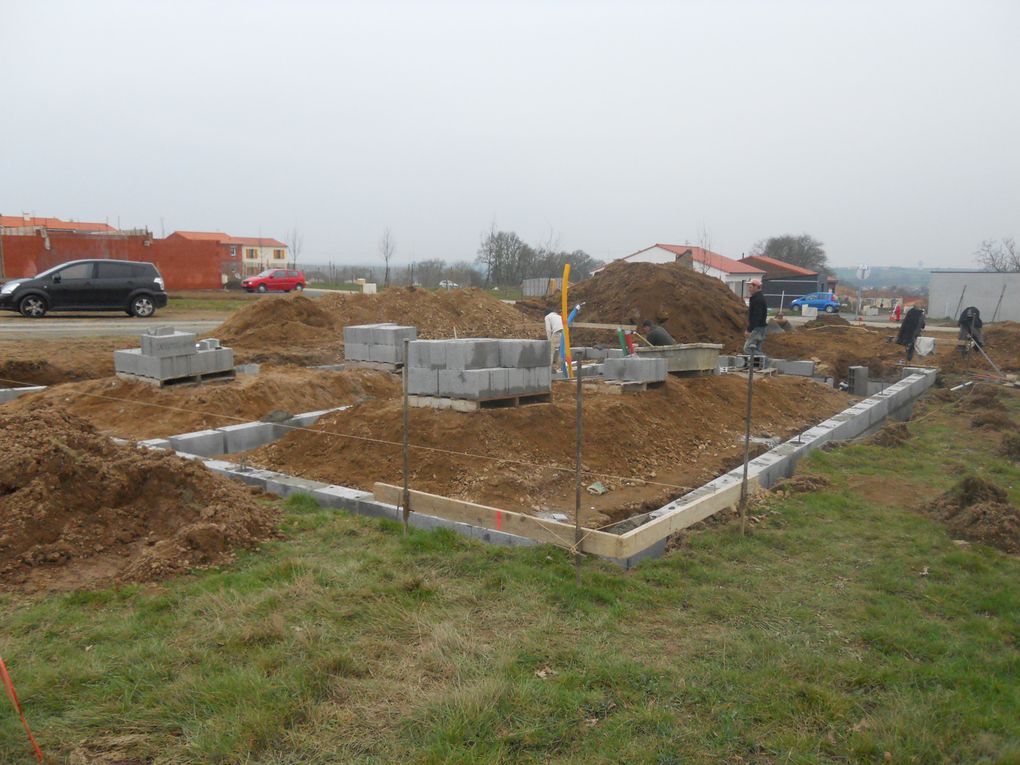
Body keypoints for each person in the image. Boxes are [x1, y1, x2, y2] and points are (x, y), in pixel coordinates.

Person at [545, 304, 582, 371]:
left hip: (556, 333)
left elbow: (548, 329)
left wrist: (549, 340)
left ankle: (549, 369)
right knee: (561, 351)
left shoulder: (547, 317)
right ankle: (557, 367)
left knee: (551, 351)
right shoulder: (558, 316)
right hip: (564, 333)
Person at [744, 279, 768, 356]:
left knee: (747, 348)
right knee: (756, 349)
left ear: (756, 287)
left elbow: (756, 316)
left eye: (750, 287)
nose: (749, 289)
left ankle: (767, 361)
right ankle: (760, 365)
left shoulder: (757, 299)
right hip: (761, 328)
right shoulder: (758, 298)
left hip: (758, 328)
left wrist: (749, 329)